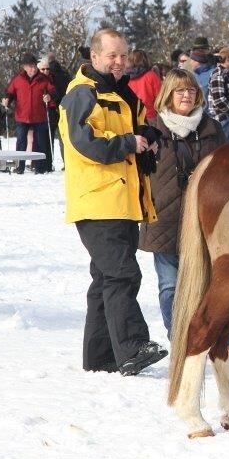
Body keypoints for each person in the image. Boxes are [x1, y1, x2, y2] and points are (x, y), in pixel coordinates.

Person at [59, 28, 167, 376]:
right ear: (95, 57)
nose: (120, 62)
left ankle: (100, 356)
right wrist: (128, 142)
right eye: (112, 56)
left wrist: (148, 137)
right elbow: (84, 142)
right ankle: (133, 346)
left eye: (124, 55)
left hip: (122, 201)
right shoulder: (82, 93)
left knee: (105, 279)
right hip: (97, 201)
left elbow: (137, 133)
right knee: (122, 274)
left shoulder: (124, 94)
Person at [138, 68, 229, 361]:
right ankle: (180, 339)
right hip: (164, 218)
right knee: (170, 286)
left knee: (217, 283)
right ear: (168, 93)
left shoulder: (211, 128)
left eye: (191, 90)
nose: (186, 95)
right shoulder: (151, 128)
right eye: (180, 90)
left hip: (207, 217)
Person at [2, 54, 55, 174]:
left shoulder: (43, 79)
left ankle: (40, 168)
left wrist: (49, 96)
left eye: (35, 66)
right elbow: (9, 92)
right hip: (22, 116)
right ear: (25, 67)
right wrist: (7, 99)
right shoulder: (17, 79)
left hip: (39, 116)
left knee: (40, 142)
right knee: (21, 142)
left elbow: (53, 91)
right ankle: (19, 166)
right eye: (31, 66)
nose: (34, 69)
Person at [44, 53, 73, 169]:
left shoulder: (49, 76)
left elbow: (53, 91)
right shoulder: (64, 74)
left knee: (49, 136)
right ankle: (67, 163)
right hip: (65, 107)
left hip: (52, 107)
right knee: (64, 137)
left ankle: (48, 163)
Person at [125, 50, 161, 125]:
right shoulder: (151, 76)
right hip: (150, 117)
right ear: (146, 60)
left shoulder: (125, 78)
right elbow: (161, 98)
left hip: (131, 119)